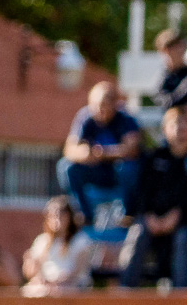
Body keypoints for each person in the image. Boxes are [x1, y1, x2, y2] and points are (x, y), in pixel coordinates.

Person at [122, 106, 187, 289]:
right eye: (175, 126)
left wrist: (177, 216)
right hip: (153, 218)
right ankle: (125, 290)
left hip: (186, 220)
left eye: (185, 126)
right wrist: (148, 216)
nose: (180, 132)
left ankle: (182, 295)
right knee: (137, 233)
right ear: (165, 130)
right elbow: (142, 192)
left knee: (183, 237)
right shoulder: (155, 158)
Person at [56, 83, 142, 222]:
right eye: (94, 104)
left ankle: (128, 214)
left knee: (128, 167)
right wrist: (85, 154)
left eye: (103, 104)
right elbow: (69, 150)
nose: (98, 109)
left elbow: (131, 149)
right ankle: (84, 215)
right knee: (66, 167)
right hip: (96, 171)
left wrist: (102, 153)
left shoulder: (126, 119)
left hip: (117, 174)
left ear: (114, 104)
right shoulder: (85, 118)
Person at [22, 196, 93, 291]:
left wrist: (58, 282)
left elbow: (77, 272)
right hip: (46, 287)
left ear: (70, 217)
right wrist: (30, 264)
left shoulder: (81, 240)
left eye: (61, 215)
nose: (57, 219)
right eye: (53, 215)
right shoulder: (42, 241)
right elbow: (30, 272)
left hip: (72, 287)